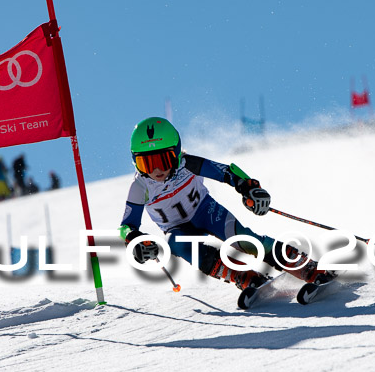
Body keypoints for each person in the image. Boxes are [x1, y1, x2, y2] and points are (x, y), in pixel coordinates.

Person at [118, 117, 334, 292]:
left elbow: (227, 171)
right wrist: (135, 240)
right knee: (176, 243)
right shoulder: (139, 187)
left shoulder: (188, 164)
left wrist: (249, 187)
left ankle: (307, 267)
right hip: (178, 229)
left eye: (162, 160)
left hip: (206, 211)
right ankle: (242, 275)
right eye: (146, 163)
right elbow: (127, 225)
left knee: (245, 241)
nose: (156, 170)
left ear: (176, 153)